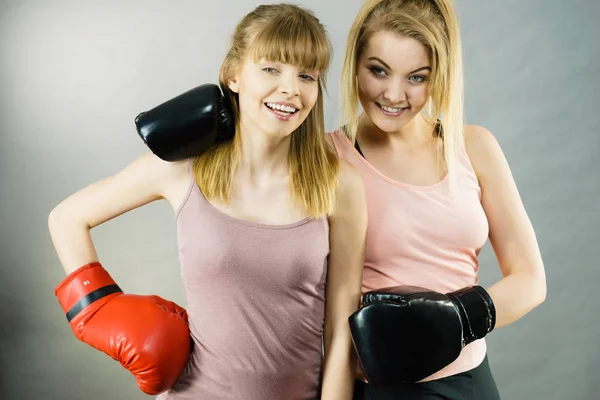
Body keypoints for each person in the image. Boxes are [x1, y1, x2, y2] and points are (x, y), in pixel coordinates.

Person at [48, 3, 366, 399]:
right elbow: (67, 218)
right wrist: (99, 310)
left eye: (306, 75)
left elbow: (341, 331)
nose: (290, 88)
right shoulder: (183, 168)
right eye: (271, 68)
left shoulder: (339, 186)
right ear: (234, 75)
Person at [326, 0, 547, 398]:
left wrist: (455, 320)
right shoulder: (326, 158)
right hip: (377, 387)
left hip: (470, 382)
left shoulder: (474, 146)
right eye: (378, 70)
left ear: (439, 76)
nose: (394, 94)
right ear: (355, 64)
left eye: (416, 77)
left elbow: (531, 281)